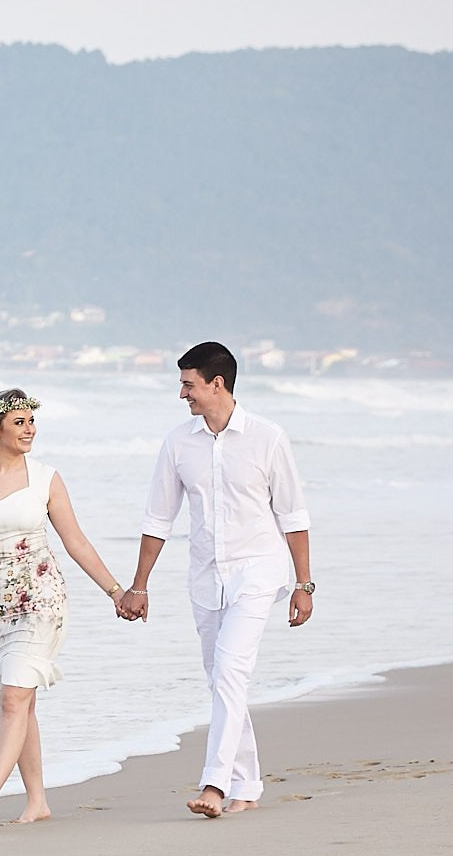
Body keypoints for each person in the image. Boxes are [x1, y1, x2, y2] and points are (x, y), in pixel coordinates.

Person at [119, 342, 315, 820]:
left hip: (258, 572)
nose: (181, 393)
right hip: (206, 577)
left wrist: (303, 585)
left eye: (188, 384)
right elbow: (158, 518)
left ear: (217, 384)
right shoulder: (178, 443)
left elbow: (292, 515)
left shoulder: (268, 438)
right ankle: (247, 785)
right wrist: (139, 585)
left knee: (229, 673)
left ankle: (214, 784)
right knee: (222, 680)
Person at [0, 388, 132, 826]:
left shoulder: (46, 477)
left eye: (32, 421)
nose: (30, 430)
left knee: (14, 697)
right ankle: (37, 802)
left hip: (40, 597)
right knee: (19, 701)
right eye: (20, 423)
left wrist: (115, 590)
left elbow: (76, 541)